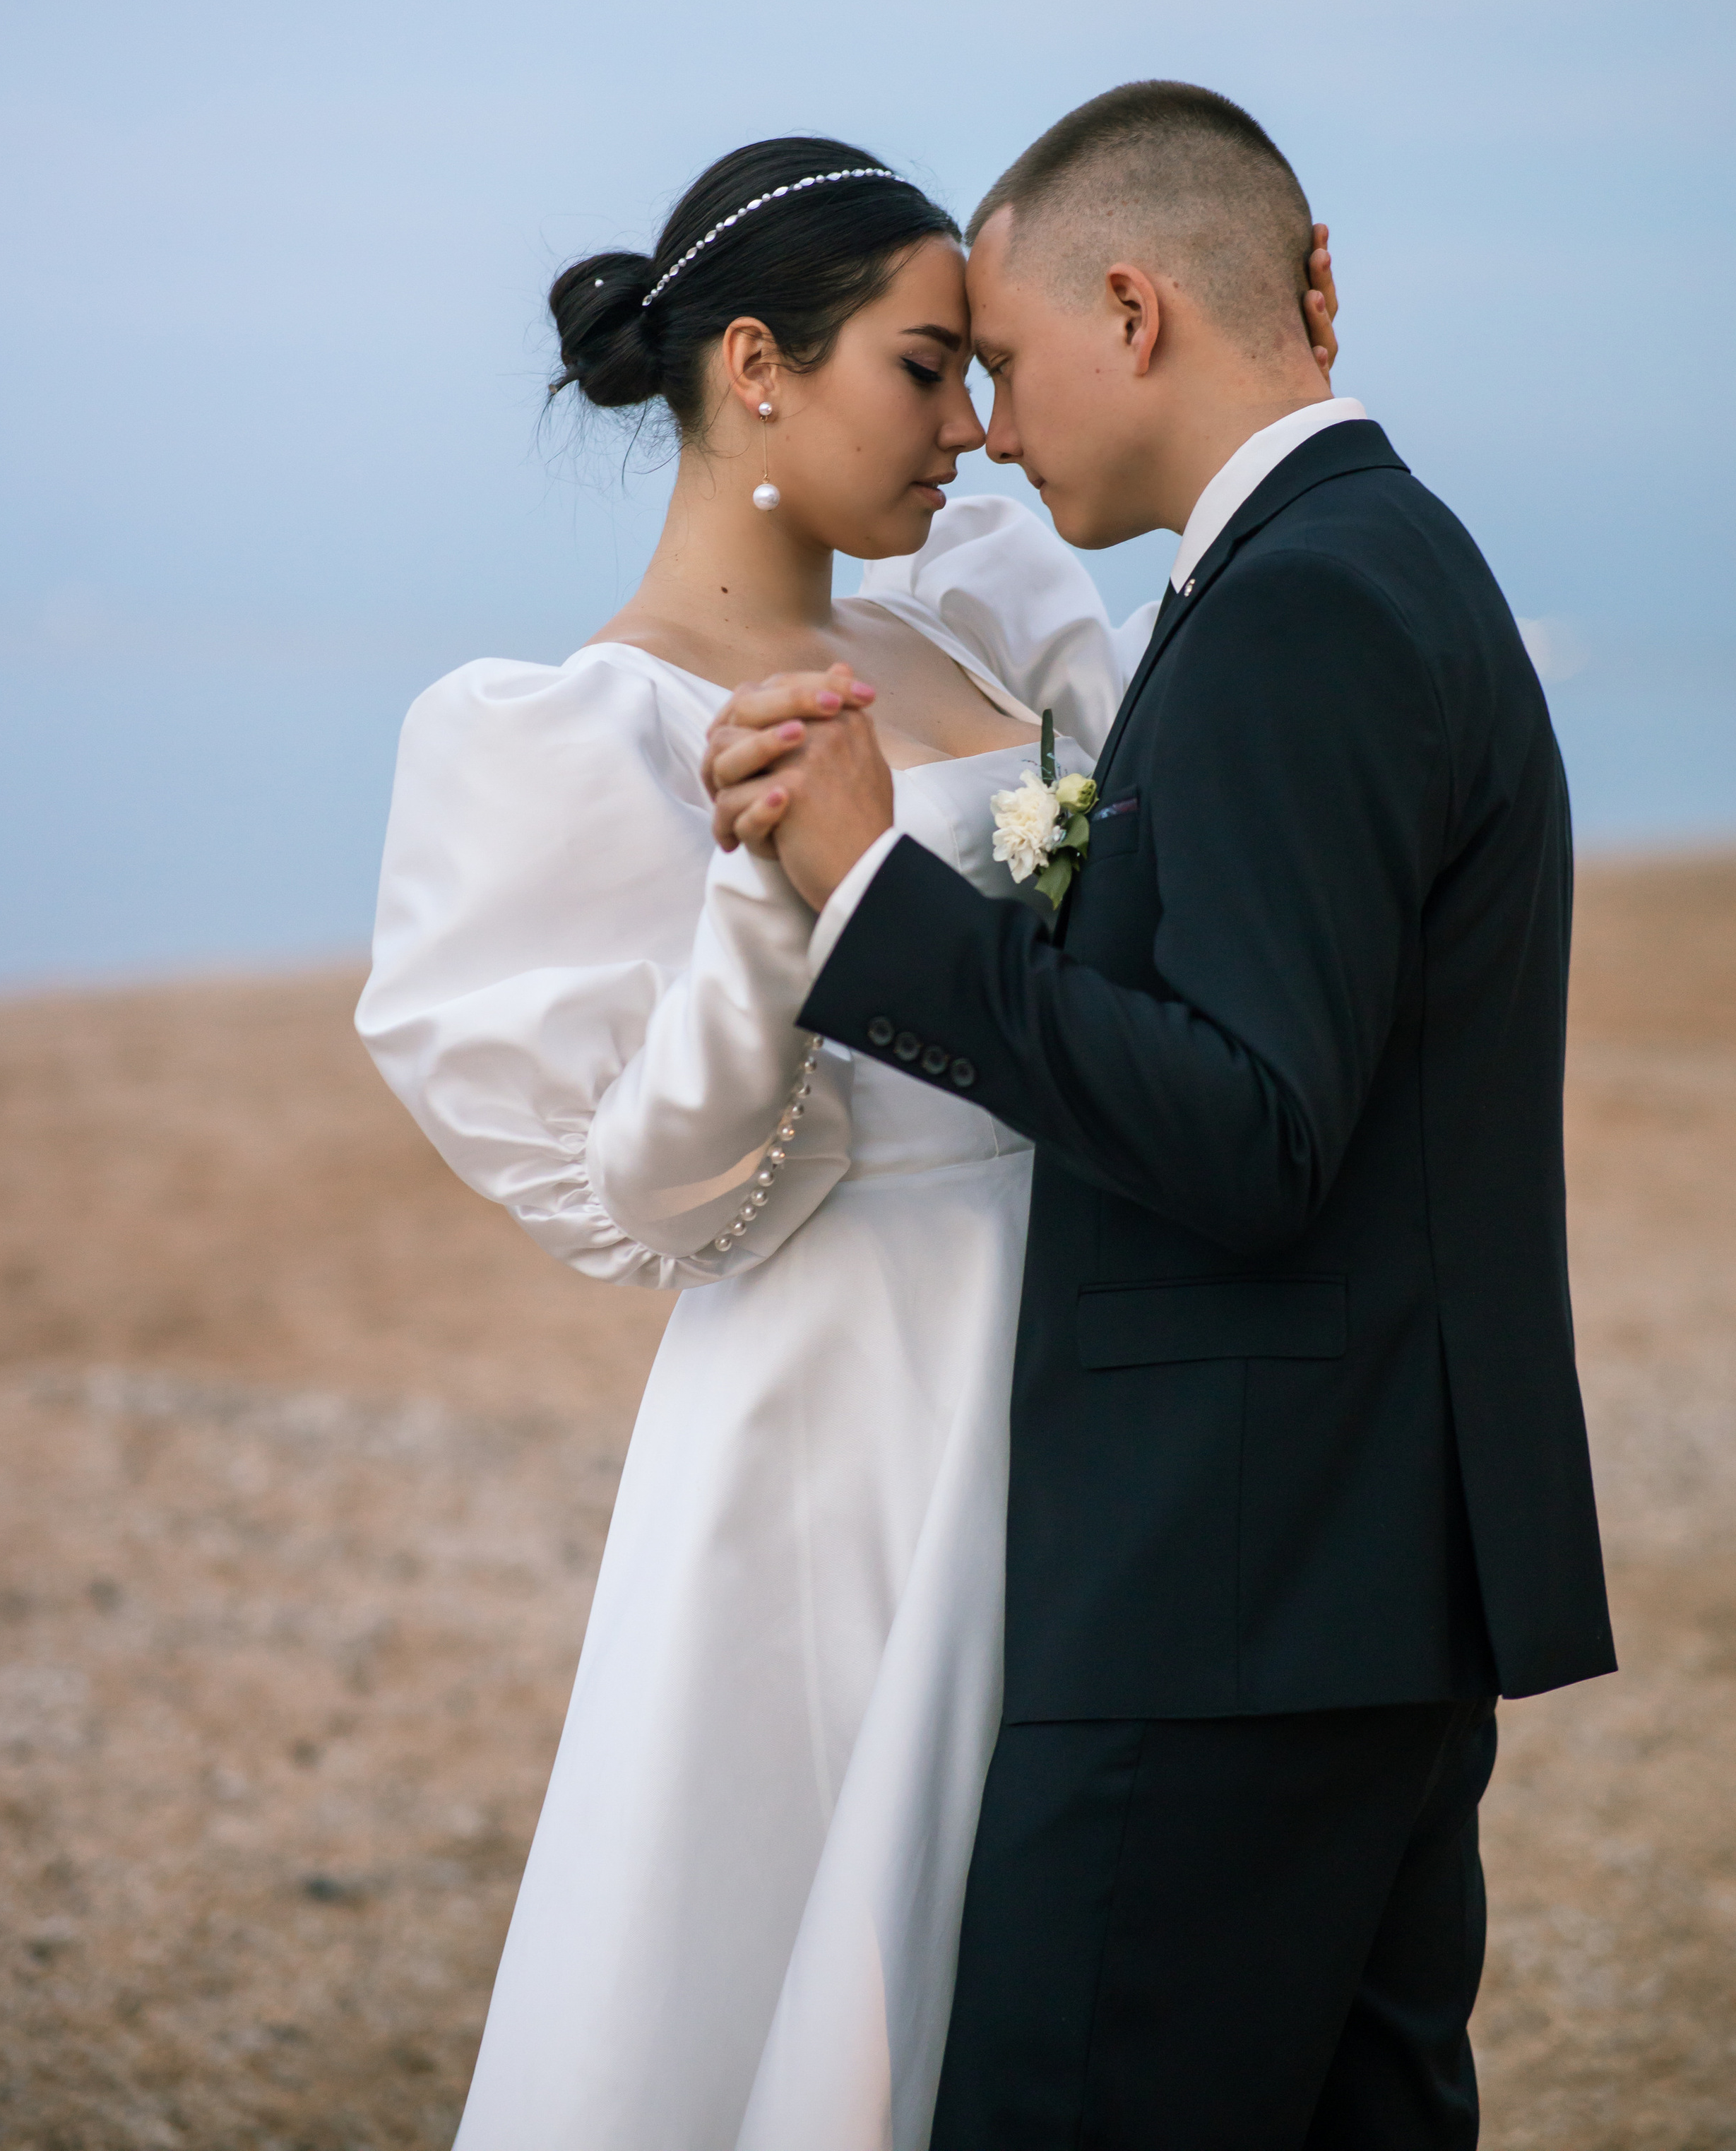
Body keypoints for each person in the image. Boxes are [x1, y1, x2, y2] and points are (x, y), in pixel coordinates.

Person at [355, 135, 1338, 2148]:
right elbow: (658, 1202)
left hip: (1088, 1367)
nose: (975, 431)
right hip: (838, 1408)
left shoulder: (981, 630)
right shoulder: (573, 734)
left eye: (983, 373)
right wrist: (774, 898)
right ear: (755, 368)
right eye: (927, 369)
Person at [706, 82, 1616, 2150]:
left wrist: (873, 897)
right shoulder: (1372, 561)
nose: (994, 435)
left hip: (1233, 1593)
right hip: (1343, 1571)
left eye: (1007, 367)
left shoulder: (1301, 606)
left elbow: (1251, 1126)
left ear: (1136, 310)